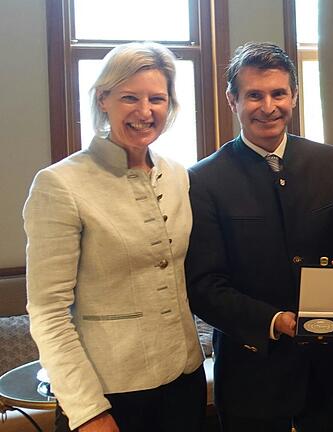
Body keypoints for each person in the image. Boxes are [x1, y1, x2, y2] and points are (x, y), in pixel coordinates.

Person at [184, 42, 333, 432]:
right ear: (232, 99)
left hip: (329, 370)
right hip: (252, 377)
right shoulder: (203, 180)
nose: (268, 106)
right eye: (254, 95)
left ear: (294, 97)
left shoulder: (330, 161)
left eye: (279, 94)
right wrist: (275, 320)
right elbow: (204, 287)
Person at [23, 42, 206, 432]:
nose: (145, 111)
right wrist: (87, 409)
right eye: (130, 98)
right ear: (103, 99)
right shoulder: (59, 184)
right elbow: (48, 312)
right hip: (108, 393)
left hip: (184, 380)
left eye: (157, 98)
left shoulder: (177, 175)